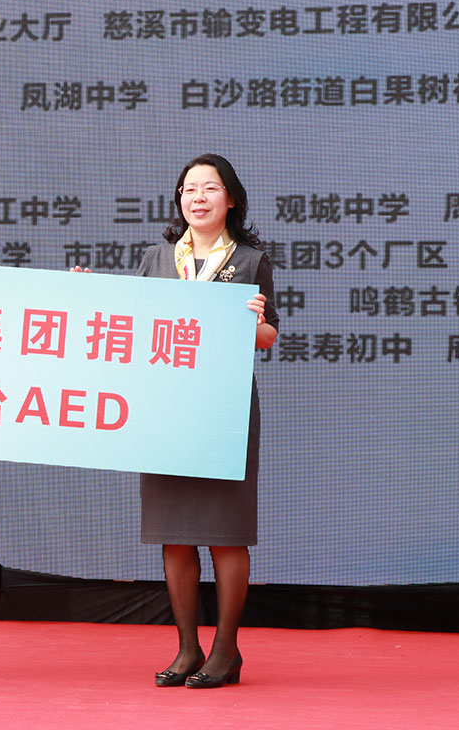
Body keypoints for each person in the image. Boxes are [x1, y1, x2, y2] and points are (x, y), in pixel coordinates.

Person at [137, 153, 279, 689]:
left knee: (225, 534)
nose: (198, 197)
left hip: (224, 410)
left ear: (231, 199)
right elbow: (130, 325)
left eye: (210, 188)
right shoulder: (156, 258)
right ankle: (186, 649)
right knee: (174, 535)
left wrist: (254, 324)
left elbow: (268, 338)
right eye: (189, 189)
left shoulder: (250, 261)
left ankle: (225, 651)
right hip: (165, 411)